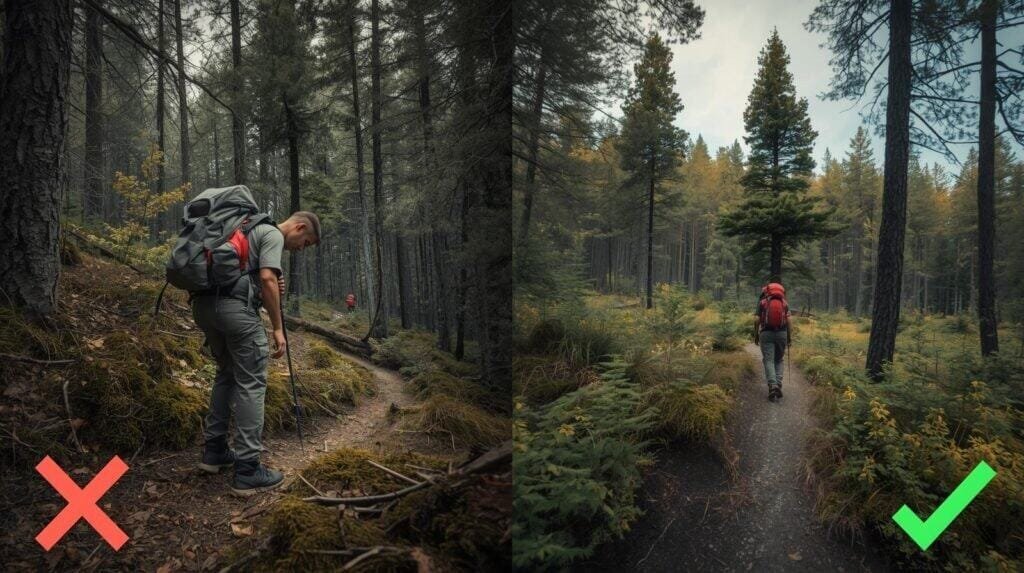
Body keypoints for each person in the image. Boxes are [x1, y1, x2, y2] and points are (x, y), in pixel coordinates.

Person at [193, 211, 321, 496]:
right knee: (251, 383)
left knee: (226, 374)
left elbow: (257, 276)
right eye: (306, 243)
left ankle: (214, 452)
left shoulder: (245, 228)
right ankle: (248, 469)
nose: (301, 249)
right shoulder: (272, 233)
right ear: (299, 227)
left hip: (204, 307)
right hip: (235, 312)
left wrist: (269, 282)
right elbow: (267, 279)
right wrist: (277, 328)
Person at [753, 277, 791, 402]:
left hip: (766, 333)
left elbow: (756, 320)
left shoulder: (762, 302)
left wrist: (756, 334)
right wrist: (789, 336)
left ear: (766, 292)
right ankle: (778, 383)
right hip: (782, 334)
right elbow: (789, 320)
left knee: (769, 360)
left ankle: (773, 385)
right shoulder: (784, 303)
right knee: (779, 359)